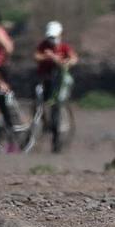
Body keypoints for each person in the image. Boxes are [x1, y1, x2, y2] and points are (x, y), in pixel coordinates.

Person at [32, 21, 78, 152]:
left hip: (58, 85)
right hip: (44, 81)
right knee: (39, 106)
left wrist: (65, 61)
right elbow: (36, 56)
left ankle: (56, 141)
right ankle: (43, 127)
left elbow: (73, 58)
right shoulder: (44, 46)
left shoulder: (64, 47)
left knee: (55, 110)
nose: (52, 40)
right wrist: (47, 57)